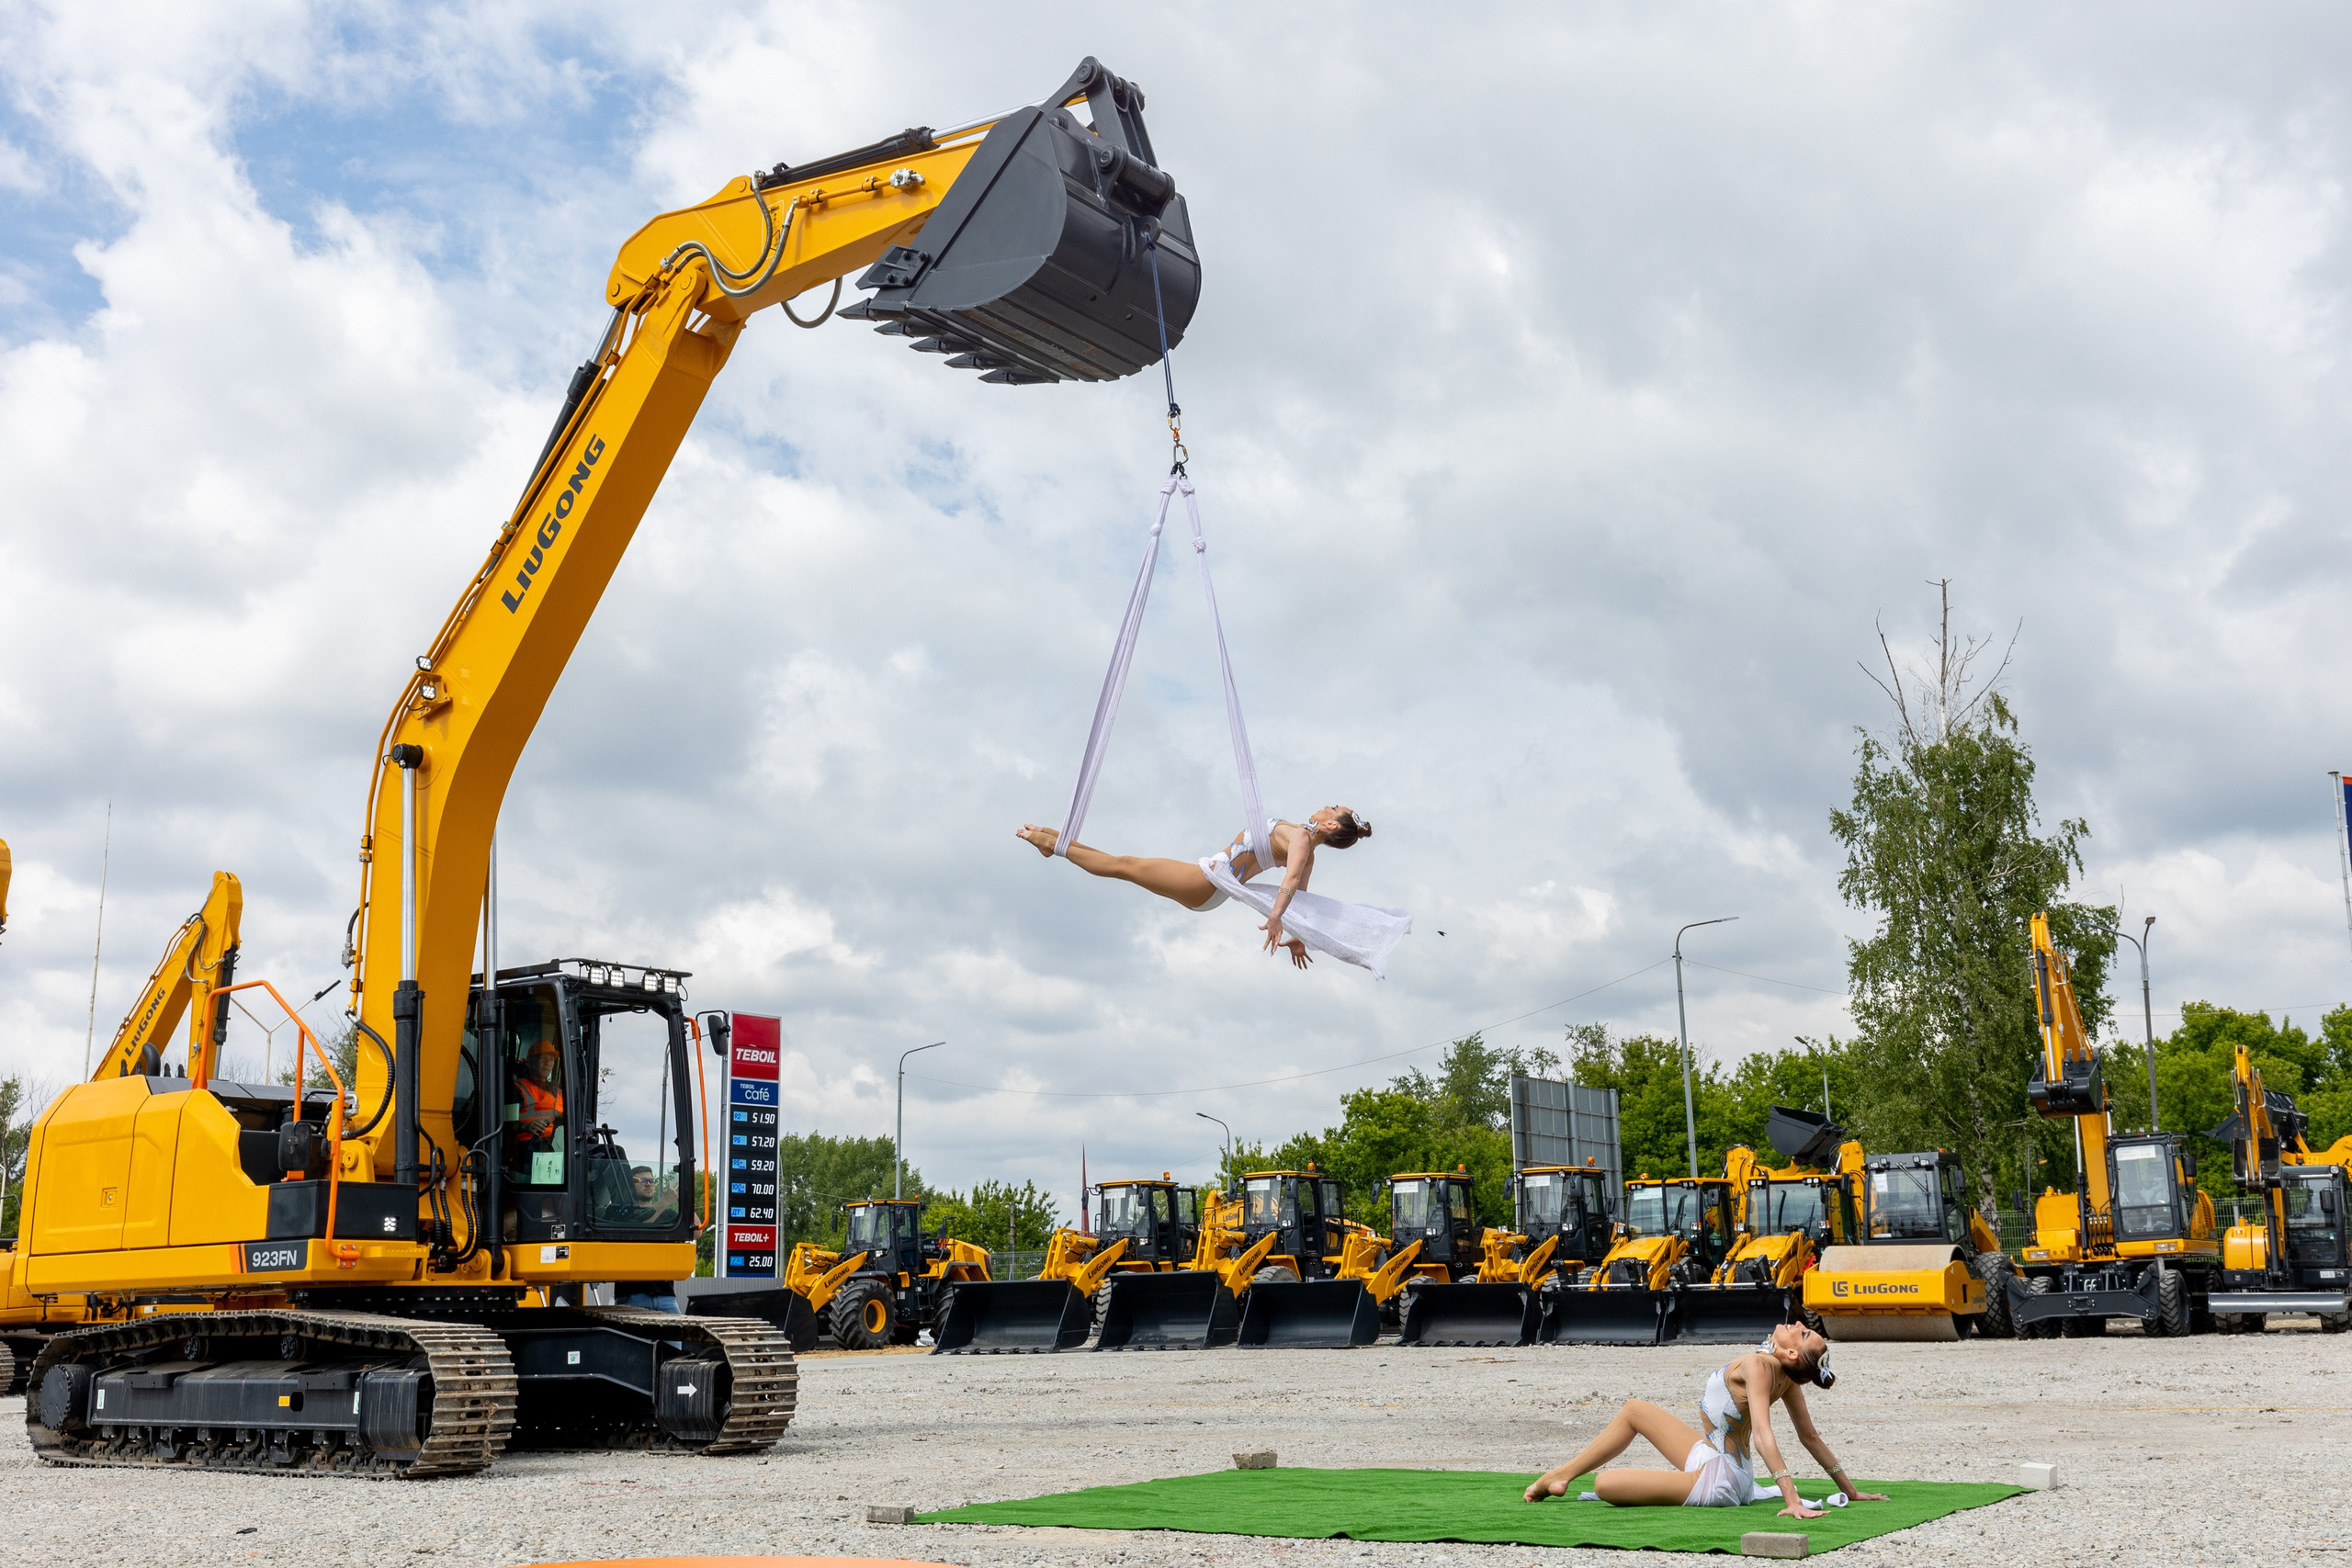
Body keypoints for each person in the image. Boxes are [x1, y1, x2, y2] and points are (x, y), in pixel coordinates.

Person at [1521, 1323, 1888, 1520]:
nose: (1798, 1324)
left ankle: (1560, 1478)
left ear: (1791, 1352)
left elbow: (1765, 1434)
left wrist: (1792, 1499)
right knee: (1634, 1410)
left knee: (1605, 1484)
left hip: (1719, 1480)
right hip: (1718, 1460)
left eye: (1803, 1333)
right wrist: (1850, 1489)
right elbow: (1810, 1437)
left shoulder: (1759, 1366)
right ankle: (1559, 1477)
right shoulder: (1783, 1375)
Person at [1016, 806, 1374, 969]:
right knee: (1126, 864)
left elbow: (1292, 883)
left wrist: (1278, 918)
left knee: (1125, 866)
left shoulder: (1301, 843)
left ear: (1330, 824)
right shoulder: (1304, 842)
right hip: (1209, 884)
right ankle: (1056, 841)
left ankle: (1054, 846)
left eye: (1333, 808)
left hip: (1206, 884)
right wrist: (1299, 936)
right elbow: (1305, 902)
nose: (1327, 805)